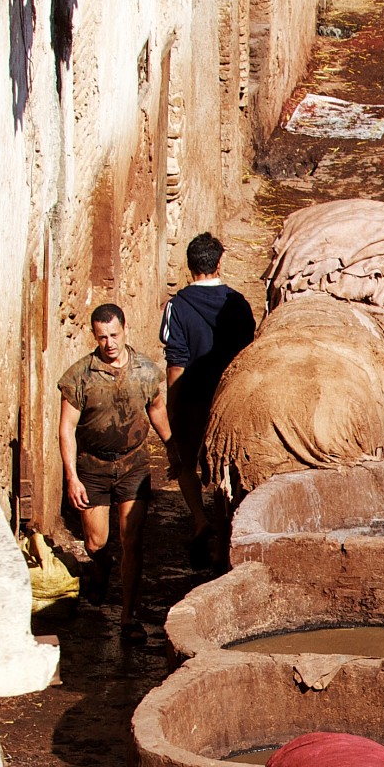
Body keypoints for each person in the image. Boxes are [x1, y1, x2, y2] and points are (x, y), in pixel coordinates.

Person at [58, 304, 173, 643]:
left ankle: (128, 616)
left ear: (125, 329)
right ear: (94, 337)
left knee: (132, 541)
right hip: (93, 467)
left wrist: (171, 446)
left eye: (114, 335)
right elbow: (66, 429)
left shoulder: (146, 371)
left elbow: (157, 410)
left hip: (134, 465)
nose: (108, 343)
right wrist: (71, 477)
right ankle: (101, 564)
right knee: (96, 542)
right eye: (102, 337)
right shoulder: (79, 376)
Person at [161, 232, 256, 568]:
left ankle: (200, 520)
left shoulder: (177, 306)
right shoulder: (239, 304)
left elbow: (176, 364)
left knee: (185, 464)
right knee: (225, 466)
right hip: (230, 400)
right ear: (219, 263)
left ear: (190, 267)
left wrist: (172, 411)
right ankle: (226, 534)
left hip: (193, 399)